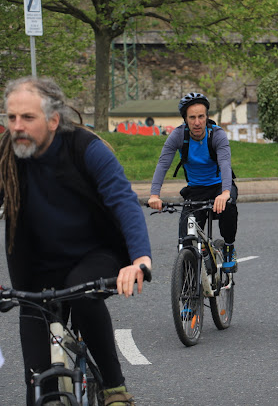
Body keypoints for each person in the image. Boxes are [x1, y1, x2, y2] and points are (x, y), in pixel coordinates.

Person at [2, 77, 152, 405]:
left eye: (27, 118)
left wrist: (140, 259)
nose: (17, 126)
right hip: (36, 269)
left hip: (94, 255)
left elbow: (123, 201)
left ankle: (114, 389)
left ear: (53, 120)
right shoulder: (8, 157)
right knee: (39, 388)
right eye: (11, 117)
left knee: (84, 293)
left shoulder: (85, 148)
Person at [148, 92, 238, 272]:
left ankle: (228, 247)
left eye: (201, 116)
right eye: (192, 117)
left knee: (228, 207)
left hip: (220, 185)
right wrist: (154, 195)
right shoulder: (178, 135)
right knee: (186, 239)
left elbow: (225, 164)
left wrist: (226, 193)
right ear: (185, 119)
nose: (197, 122)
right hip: (195, 189)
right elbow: (163, 164)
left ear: (206, 117)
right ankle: (188, 289)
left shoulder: (217, 135)